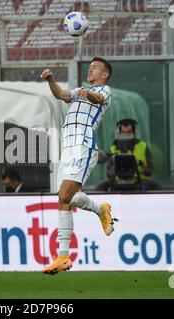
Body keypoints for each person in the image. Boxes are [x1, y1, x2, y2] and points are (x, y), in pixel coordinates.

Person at [40, 56, 117, 275]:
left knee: (65, 195)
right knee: (65, 198)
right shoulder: (79, 90)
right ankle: (64, 255)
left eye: (95, 68)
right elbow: (61, 94)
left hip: (84, 145)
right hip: (68, 148)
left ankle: (99, 213)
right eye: (90, 66)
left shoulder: (106, 90)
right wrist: (50, 80)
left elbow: (98, 98)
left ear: (104, 75)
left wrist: (88, 94)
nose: (90, 69)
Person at [95, 119, 160, 191]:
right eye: (123, 132)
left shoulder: (143, 147)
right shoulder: (113, 149)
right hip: (117, 182)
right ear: (119, 133)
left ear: (134, 133)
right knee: (100, 188)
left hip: (140, 181)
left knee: (156, 187)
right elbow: (108, 174)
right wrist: (113, 170)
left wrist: (143, 166)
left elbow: (150, 172)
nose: (126, 135)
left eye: (129, 133)